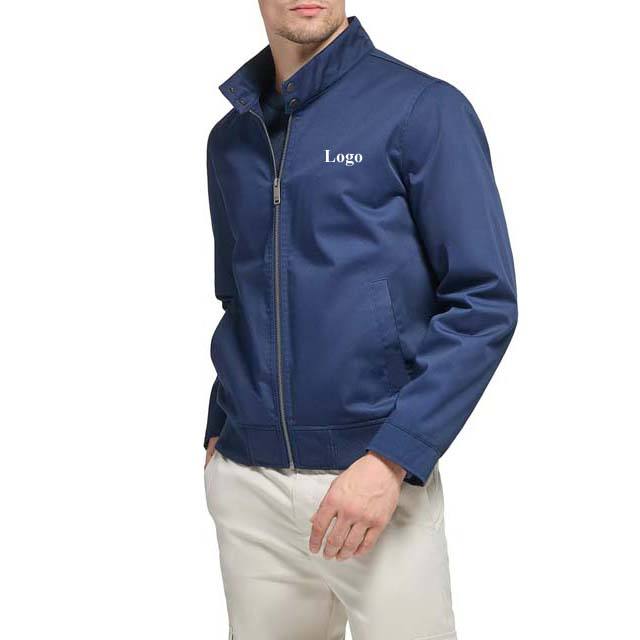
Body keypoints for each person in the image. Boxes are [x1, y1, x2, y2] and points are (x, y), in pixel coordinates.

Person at [203, 2, 517, 638]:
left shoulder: (423, 110)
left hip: (375, 480)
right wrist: (220, 428)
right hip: (248, 483)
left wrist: (393, 457)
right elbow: (238, 294)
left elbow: (484, 301)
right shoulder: (232, 137)